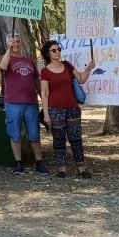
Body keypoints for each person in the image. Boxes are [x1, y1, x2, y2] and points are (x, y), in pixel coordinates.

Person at [39, 40, 95, 179]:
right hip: (55, 110)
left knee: (76, 139)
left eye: (59, 49)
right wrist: (46, 114)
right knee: (59, 140)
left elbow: (81, 79)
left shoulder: (68, 66)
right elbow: (45, 94)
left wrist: (88, 69)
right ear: (48, 53)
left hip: (72, 109)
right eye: (54, 50)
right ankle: (62, 169)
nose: (57, 52)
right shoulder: (45, 71)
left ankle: (81, 168)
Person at [0, 35, 50, 175]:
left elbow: (36, 81)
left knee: (34, 133)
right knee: (14, 133)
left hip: (31, 102)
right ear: (8, 44)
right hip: (13, 102)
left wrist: (43, 99)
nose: (16, 44)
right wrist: (8, 50)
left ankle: (39, 163)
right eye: (13, 42)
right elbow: (2, 67)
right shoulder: (6, 58)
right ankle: (18, 163)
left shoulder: (29, 60)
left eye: (18, 41)